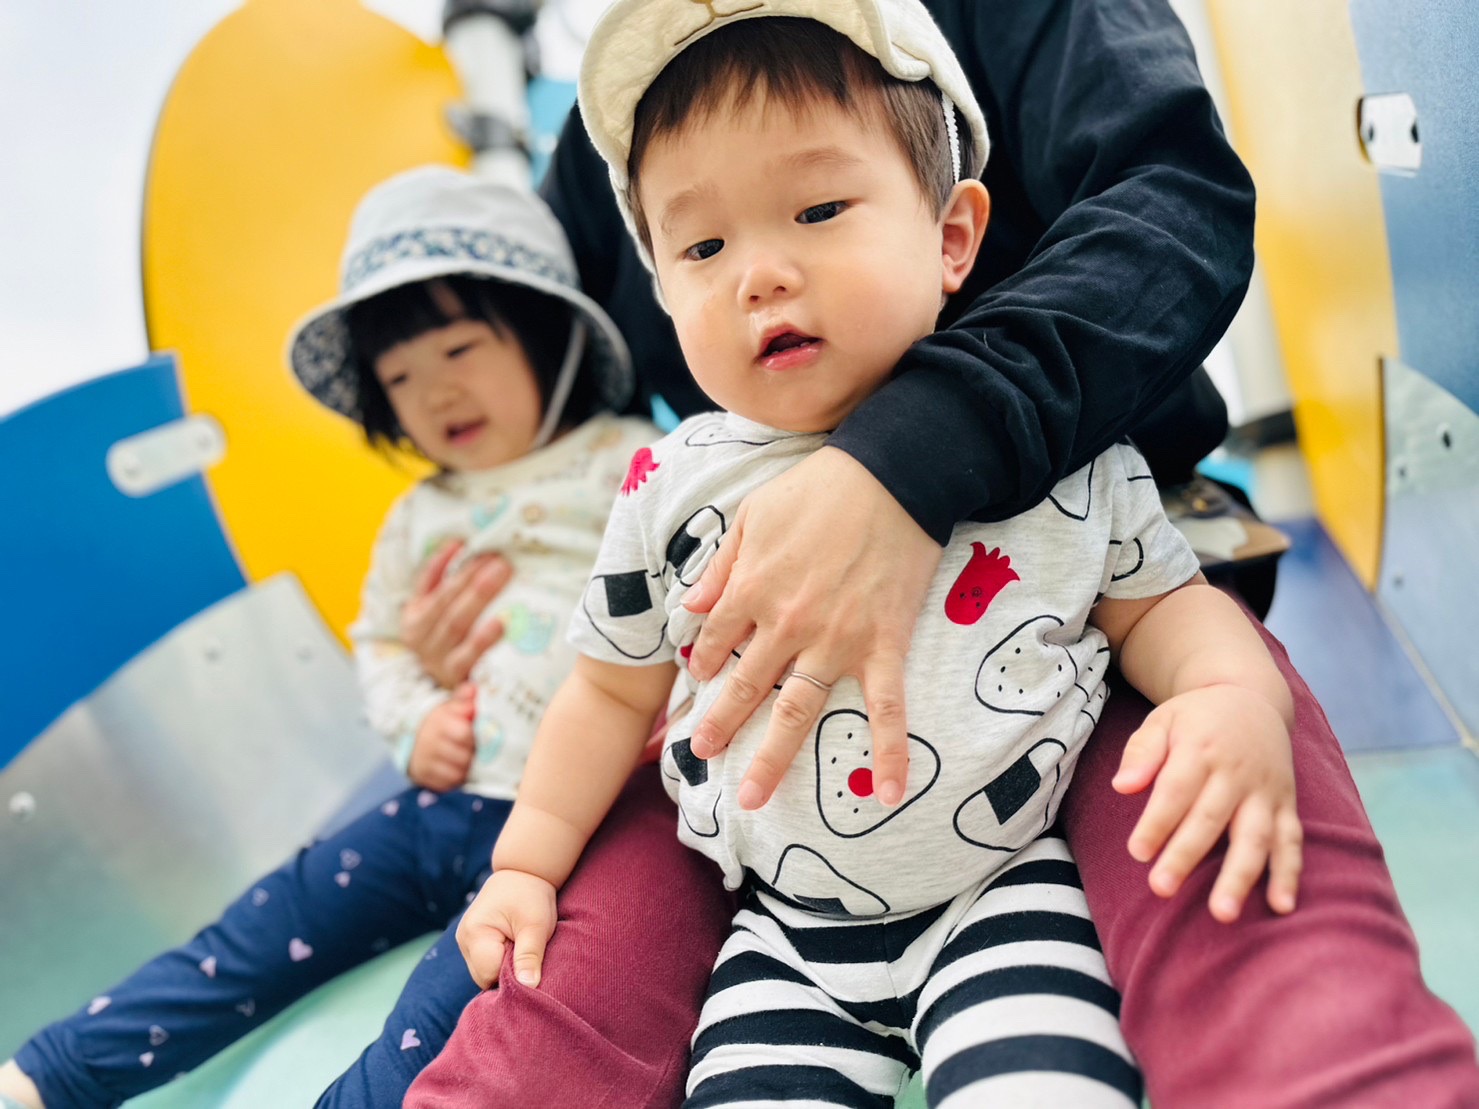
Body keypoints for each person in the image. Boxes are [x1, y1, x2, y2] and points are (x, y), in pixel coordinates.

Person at [408, 3, 1479, 1108]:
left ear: (954, 236)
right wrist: (519, 852)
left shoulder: (1076, 475)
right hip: (784, 929)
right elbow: (603, 684)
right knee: (527, 1009)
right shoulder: (667, 489)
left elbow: (1162, 601)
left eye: (819, 210)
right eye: (704, 248)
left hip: (1006, 881)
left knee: (1174, 914)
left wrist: (1232, 693)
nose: (758, 274)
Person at [0, 166, 661, 1109]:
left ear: (548, 334)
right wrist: (415, 723)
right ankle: (47, 1075)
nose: (434, 392)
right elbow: (382, 644)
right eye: (398, 377)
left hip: (565, 821)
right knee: (263, 927)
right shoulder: (417, 516)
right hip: (437, 804)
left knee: (441, 1014)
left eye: (460, 348)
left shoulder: (631, 463)